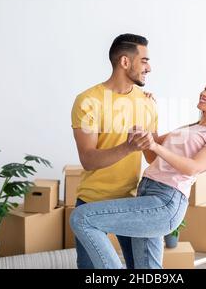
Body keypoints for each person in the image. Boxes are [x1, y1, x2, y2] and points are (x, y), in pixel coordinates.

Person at [70, 75, 206, 269]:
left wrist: (155, 146)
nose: (204, 93)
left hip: (165, 201)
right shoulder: (192, 128)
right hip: (147, 194)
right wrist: (148, 110)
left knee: (81, 218)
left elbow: (193, 167)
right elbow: (150, 151)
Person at [70, 33, 158, 269]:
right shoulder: (88, 101)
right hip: (91, 204)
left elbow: (152, 156)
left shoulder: (147, 103)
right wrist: (129, 146)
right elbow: (88, 159)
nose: (149, 67)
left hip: (130, 205)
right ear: (125, 62)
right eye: (145, 60)